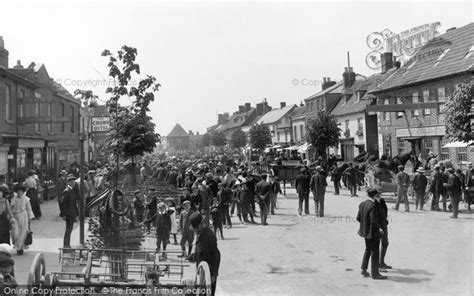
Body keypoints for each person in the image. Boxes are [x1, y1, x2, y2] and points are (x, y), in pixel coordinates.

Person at [357, 187, 386, 280]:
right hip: (373, 232)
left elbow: (358, 218)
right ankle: (375, 273)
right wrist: (380, 229)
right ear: (374, 195)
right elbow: (373, 220)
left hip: (365, 232)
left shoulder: (362, 204)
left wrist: (365, 224)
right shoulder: (373, 205)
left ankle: (364, 269)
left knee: (368, 249)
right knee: (375, 252)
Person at [189, 212, 221, 296]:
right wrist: (194, 256)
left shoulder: (209, 236)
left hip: (209, 273)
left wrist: (213, 274)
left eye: (196, 228)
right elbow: (201, 251)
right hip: (203, 272)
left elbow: (216, 255)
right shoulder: (200, 234)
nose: (195, 230)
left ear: (200, 225)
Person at [10, 184, 33, 255]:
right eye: (18, 191)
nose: (19, 192)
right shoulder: (14, 199)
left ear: (23, 192)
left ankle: (20, 247)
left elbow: (29, 209)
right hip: (16, 217)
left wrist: (29, 218)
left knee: (23, 232)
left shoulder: (26, 199)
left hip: (24, 216)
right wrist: (10, 217)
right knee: (15, 233)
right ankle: (17, 245)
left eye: (20, 191)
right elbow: (10, 209)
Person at [373, 186, 391, 270]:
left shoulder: (382, 201)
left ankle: (382, 262)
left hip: (383, 225)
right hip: (377, 226)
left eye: (380, 193)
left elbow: (385, 211)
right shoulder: (372, 202)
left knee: (385, 243)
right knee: (376, 245)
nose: (379, 194)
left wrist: (385, 219)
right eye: (378, 193)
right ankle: (377, 265)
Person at [60, 174, 79, 249]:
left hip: (71, 212)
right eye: (72, 181)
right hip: (68, 213)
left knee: (70, 229)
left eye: (74, 181)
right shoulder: (67, 191)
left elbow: (74, 203)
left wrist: (76, 213)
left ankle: (67, 244)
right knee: (68, 229)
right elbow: (63, 204)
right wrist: (63, 214)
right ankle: (66, 245)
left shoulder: (71, 190)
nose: (74, 182)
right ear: (69, 182)